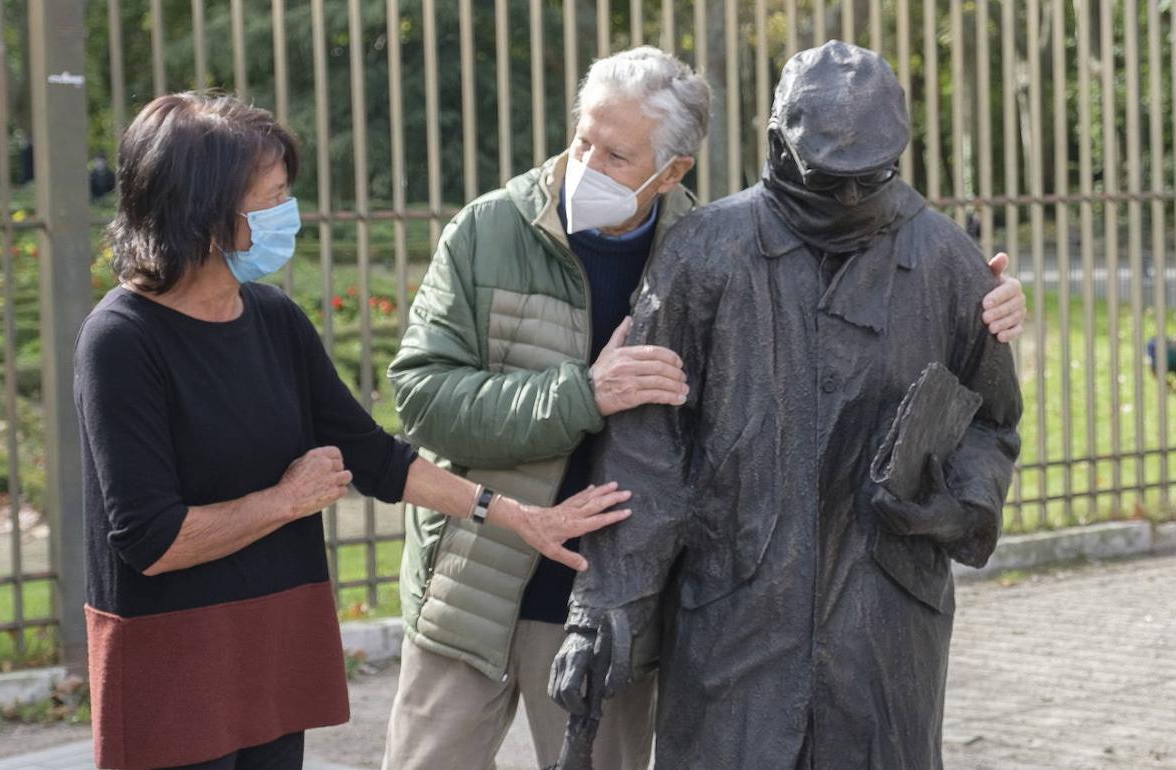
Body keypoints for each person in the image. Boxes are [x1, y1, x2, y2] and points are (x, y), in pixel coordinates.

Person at [384, 46, 1027, 770]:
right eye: (825, 178)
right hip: (715, 613)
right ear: (780, 142)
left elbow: (991, 421)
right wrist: (607, 610)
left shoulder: (946, 262)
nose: (846, 199)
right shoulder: (703, 251)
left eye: (863, 179)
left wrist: (955, 506)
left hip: (883, 623)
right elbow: (648, 448)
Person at [75, 92, 630, 770]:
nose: (288, 215)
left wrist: (516, 517)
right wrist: (286, 501)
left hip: (273, 642)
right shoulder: (121, 341)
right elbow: (150, 540)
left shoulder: (273, 319)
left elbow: (375, 457)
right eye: (269, 199)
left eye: (286, 194)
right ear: (202, 212)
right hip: (174, 665)